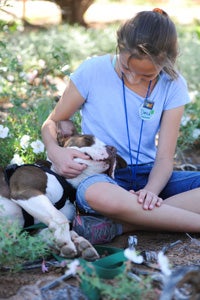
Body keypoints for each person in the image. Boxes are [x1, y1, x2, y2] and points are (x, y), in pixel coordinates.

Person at [42, 8, 200, 244]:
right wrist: (57, 153)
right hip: (101, 175)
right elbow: (52, 121)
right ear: (119, 47)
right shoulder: (93, 71)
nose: (133, 78)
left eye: (146, 76)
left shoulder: (173, 84)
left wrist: (151, 193)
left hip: (150, 174)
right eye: (127, 69)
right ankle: (170, 219)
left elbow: (165, 159)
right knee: (99, 195)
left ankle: (122, 224)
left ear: (167, 63)